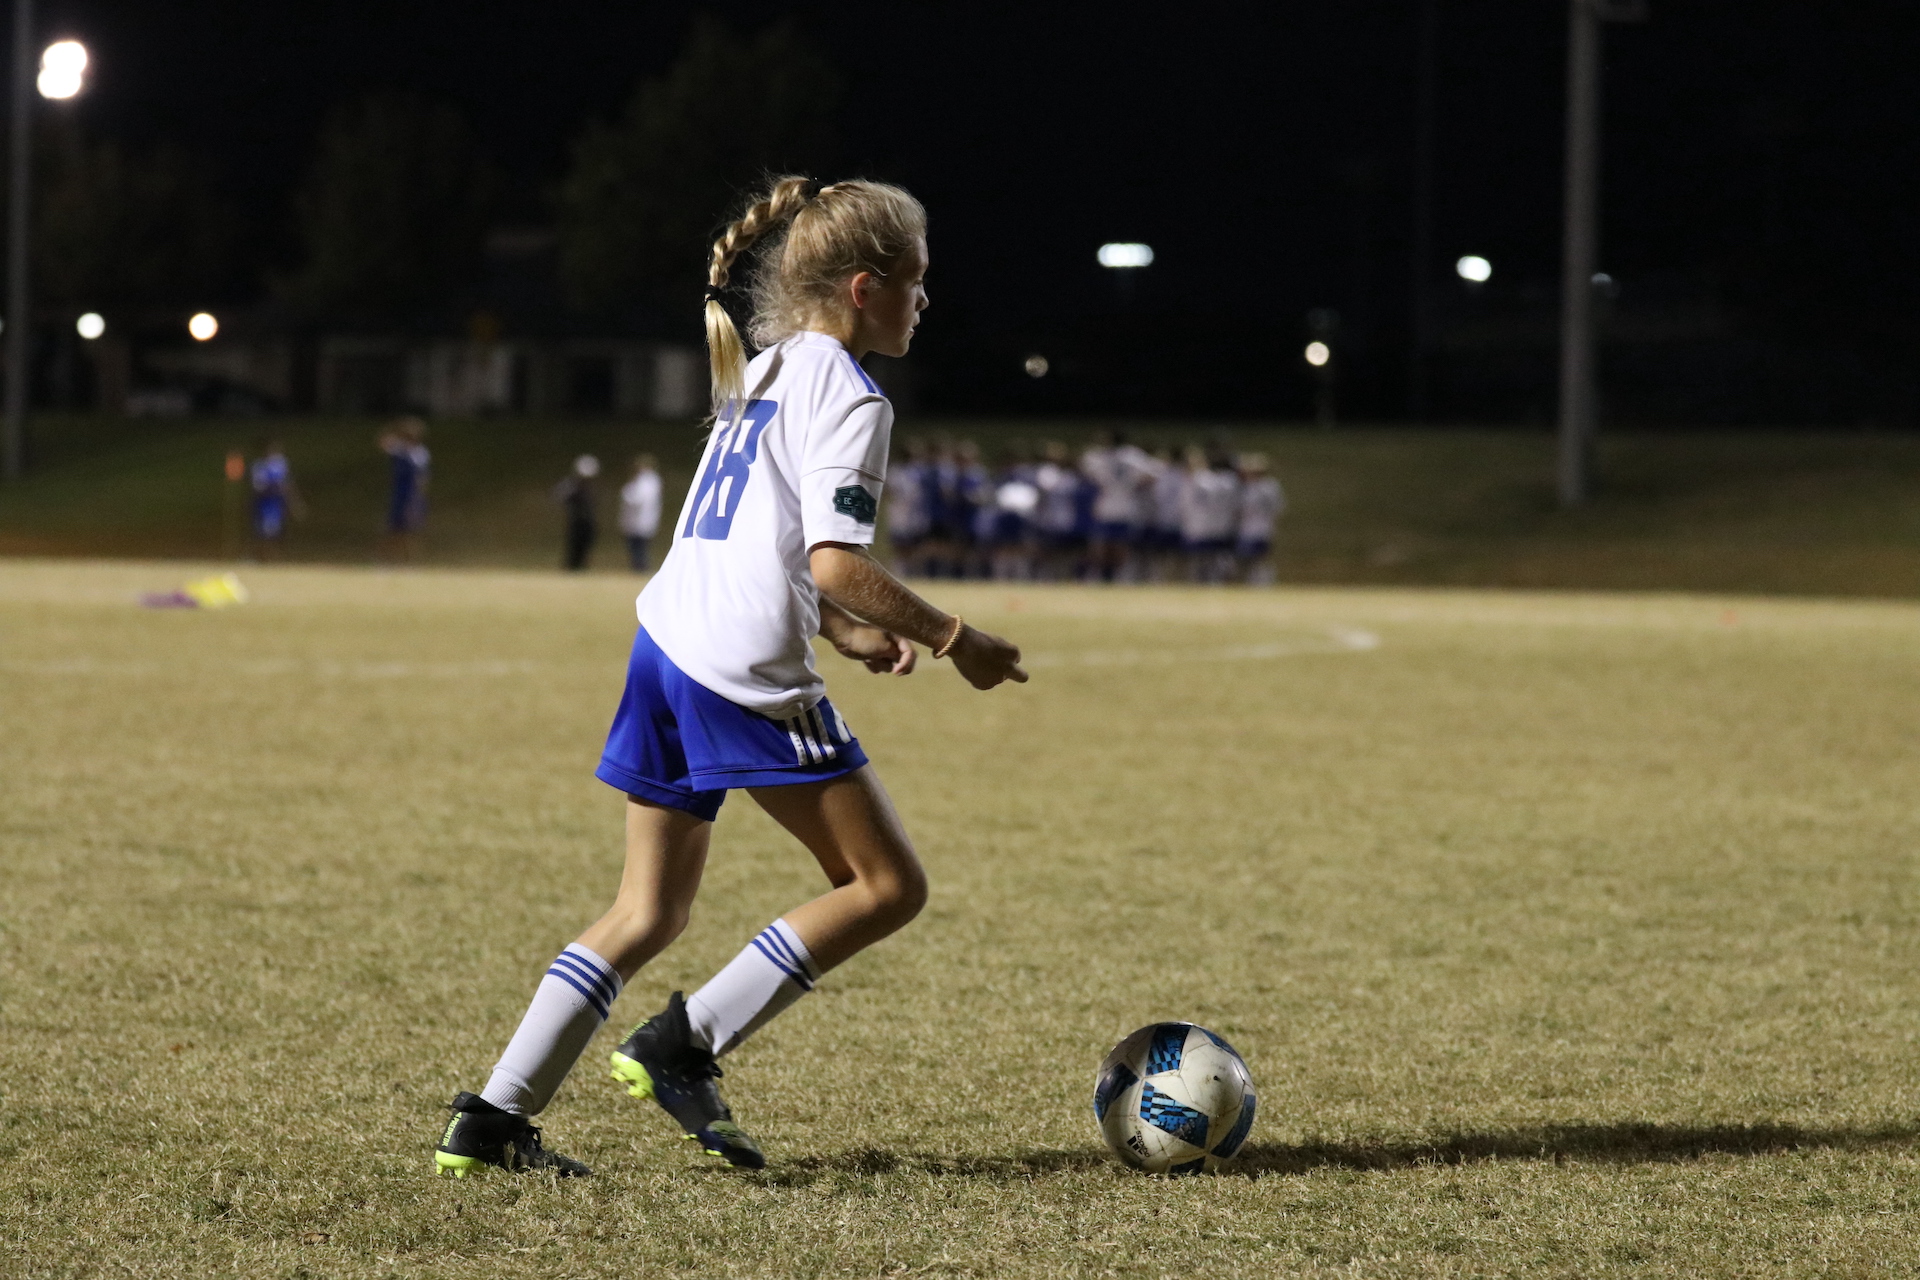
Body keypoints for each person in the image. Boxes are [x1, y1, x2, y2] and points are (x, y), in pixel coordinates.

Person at [433, 175, 1027, 1179]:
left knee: (646, 910)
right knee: (886, 885)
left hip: (665, 642)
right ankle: (682, 1043)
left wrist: (838, 631)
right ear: (864, 287)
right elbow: (835, 556)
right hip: (739, 675)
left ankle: (491, 1117)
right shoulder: (850, 392)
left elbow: (773, 547)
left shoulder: (769, 365)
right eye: (917, 283)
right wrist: (954, 635)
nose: (926, 302)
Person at [1179, 447, 1241, 584]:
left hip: (1202, 526)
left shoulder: (1198, 480)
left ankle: (1204, 583)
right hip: (1217, 525)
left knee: (1204, 561)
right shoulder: (1225, 481)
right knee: (1213, 560)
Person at [378, 418, 431, 562]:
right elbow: (384, 443)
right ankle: (387, 560)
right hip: (399, 495)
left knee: (409, 532)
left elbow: (422, 478)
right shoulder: (401, 450)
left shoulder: (419, 454)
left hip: (411, 496)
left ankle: (410, 561)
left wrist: (417, 498)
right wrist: (393, 427)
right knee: (393, 530)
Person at [1235, 453, 1285, 585]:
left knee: (1257, 560)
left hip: (1258, 529)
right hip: (1253, 529)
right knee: (1251, 560)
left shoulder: (1264, 487)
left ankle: (1262, 583)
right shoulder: (1264, 486)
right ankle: (1256, 582)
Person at [249, 438, 304, 561]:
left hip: (277, 503)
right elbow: (257, 487)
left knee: (277, 531)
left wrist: (294, 503)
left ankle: (276, 557)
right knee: (264, 531)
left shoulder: (280, 464)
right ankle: (262, 556)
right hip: (264, 502)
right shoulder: (259, 466)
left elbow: (287, 484)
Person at [555, 454, 601, 571]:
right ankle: (572, 565)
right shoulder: (571, 484)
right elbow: (559, 496)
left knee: (586, 545)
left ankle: (581, 565)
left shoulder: (591, 487)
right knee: (575, 545)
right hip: (577, 520)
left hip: (588, 520)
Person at [618, 454, 663, 572]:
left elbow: (637, 499)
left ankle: (640, 569)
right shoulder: (649, 481)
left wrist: (627, 497)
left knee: (639, 547)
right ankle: (639, 568)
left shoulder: (647, 481)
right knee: (637, 546)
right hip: (640, 520)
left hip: (640, 519)